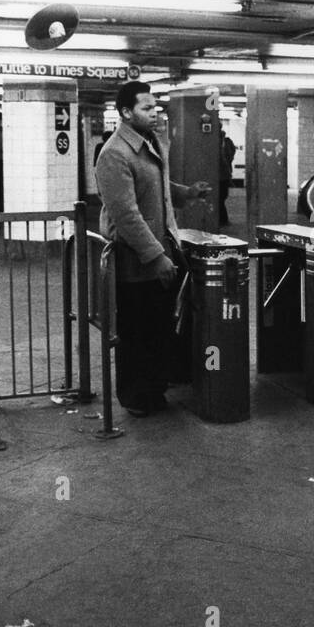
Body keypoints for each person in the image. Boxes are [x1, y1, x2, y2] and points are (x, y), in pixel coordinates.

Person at [95, 84, 210, 416]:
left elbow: (157, 188)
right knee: (136, 330)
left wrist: (188, 193)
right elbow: (125, 215)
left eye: (155, 106)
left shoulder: (150, 145)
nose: (155, 112)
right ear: (126, 113)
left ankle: (155, 387)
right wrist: (156, 256)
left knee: (158, 325)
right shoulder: (114, 153)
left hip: (159, 250)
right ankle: (136, 397)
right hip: (135, 261)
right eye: (146, 108)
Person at [219, 129, 236, 227]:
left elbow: (228, 158)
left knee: (221, 198)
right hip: (224, 175)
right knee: (221, 198)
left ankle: (223, 219)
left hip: (223, 175)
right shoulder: (225, 143)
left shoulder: (226, 143)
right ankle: (223, 219)